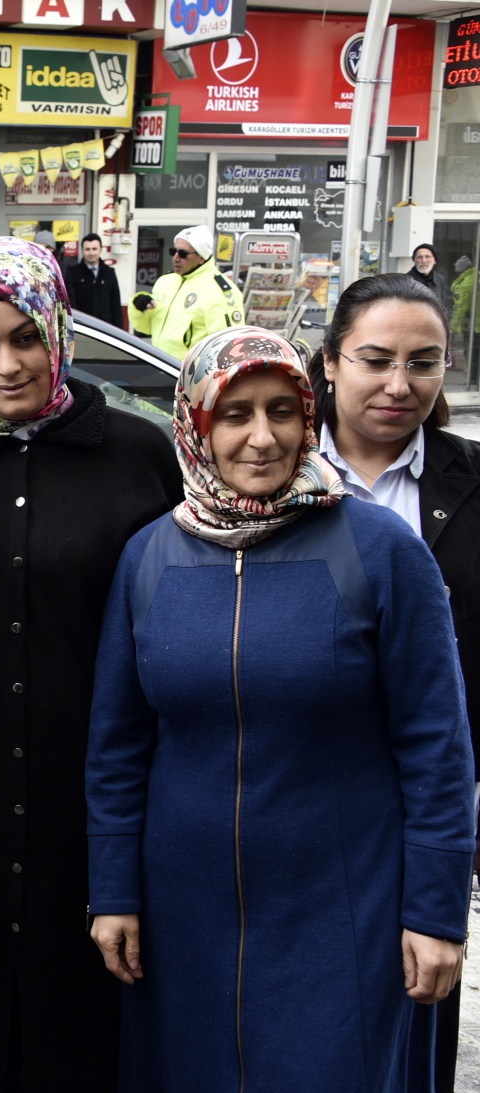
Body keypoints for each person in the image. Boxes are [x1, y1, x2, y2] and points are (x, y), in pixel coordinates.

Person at [87, 326, 474, 1091]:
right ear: (197, 423)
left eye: (282, 411)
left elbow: (437, 745)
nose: (262, 437)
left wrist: (435, 911)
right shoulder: (150, 558)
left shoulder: (380, 549)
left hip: (344, 913)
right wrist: (115, 890)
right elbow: (118, 746)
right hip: (182, 918)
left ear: (308, 415)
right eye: (235, 414)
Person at [0, 237, 180, 1091]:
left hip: (92, 799)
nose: (7, 365)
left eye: (26, 338)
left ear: (59, 329)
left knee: (85, 1028)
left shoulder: (138, 454)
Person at [308, 273, 480, 1093]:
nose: (399, 384)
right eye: (376, 360)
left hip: (426, 813)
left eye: (424, 362)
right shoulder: (265, 467)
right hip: (291, 804)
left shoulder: (469, 484)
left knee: (407, 1036)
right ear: (331, 361)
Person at [128, 225, 244, 362]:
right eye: (173, 251)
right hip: (160, 364)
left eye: (183, 253)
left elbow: (229, 346)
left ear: (201, 257)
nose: (176, 258)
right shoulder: (166, 281)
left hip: (191, 371)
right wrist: (139, 307)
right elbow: (146, 328)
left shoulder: (220, 290)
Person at [65, 233, 123, 328]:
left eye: (94, 249)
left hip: (105, 328)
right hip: (82, 327)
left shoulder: (109, 273)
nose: (91, 253)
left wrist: (119, 331)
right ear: (82, 250)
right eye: (87, 249)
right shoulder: (72, 273)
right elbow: (69, 303)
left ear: (100, 249)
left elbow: (116, 305)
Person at [410, 243, 452, 317]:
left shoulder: (440, 280)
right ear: (414, 260)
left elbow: (444, 305)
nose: (424, 261)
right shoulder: (406, 281)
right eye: (419, 257)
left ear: (434, 261)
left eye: (427, 257)